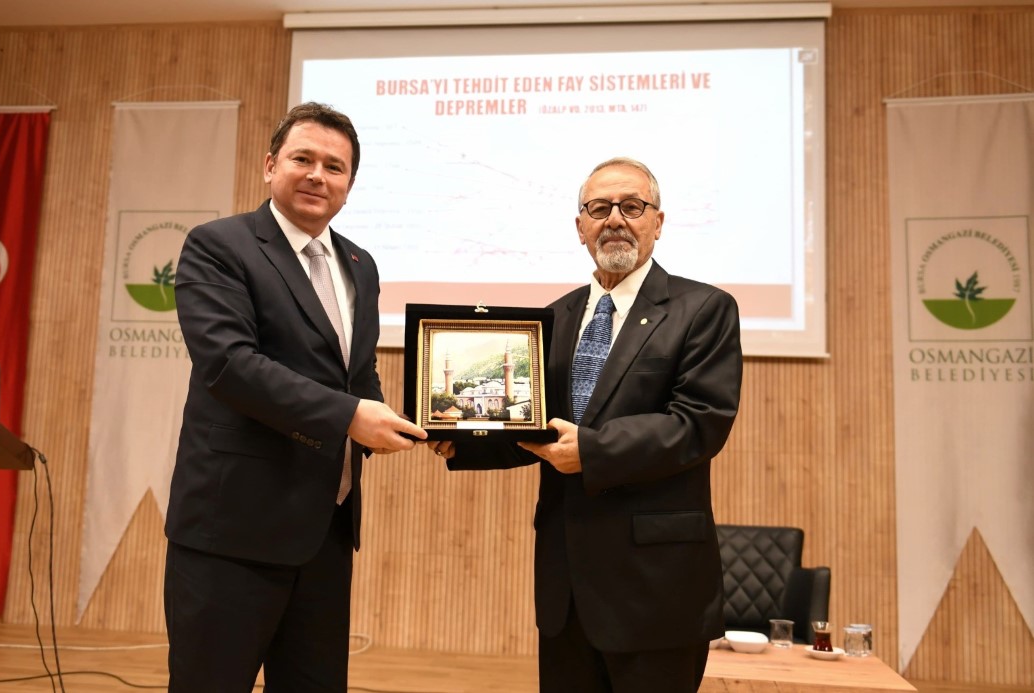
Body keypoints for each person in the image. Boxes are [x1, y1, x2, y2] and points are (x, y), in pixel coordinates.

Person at [431, 157, 742, 692]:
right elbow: (537, 428)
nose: (615, 219)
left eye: (632, 207)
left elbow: (699, 424)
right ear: (581, 227)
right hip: (566, 586)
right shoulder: (553, 318)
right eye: (599, 208)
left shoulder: (703, 308)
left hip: (657, 587)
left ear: (658, 222)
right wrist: (460, 439)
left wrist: (593, 451)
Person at [164, 102, 426, 692]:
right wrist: (351, 416)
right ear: (270, 166)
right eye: (302, 159)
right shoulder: (219, 246)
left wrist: (416, 425)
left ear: (349, 185)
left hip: (324, 533)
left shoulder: (359, 264)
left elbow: (356, 374)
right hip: (233, 532)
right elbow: (230, 365)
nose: (317, 176)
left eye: (334, 167)